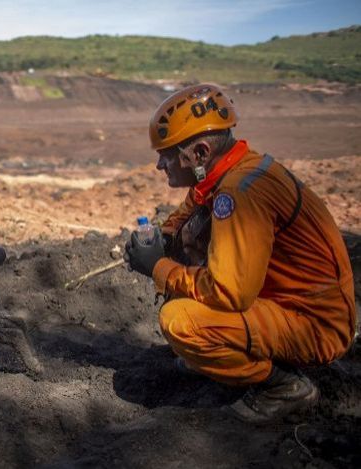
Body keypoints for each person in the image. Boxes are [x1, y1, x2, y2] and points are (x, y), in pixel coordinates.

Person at [124, 83, 356, 423]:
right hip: (290, 304)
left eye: (168, 154)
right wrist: (160, 240)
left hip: (316, 325)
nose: (160, 165)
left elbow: (228, 292)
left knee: (180, 321)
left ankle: (284, 386)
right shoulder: (229, 171)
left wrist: (158, 267)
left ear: (200, 153)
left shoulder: (238, 194)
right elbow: (184, 217)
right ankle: (228, 351)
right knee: (186, 257)